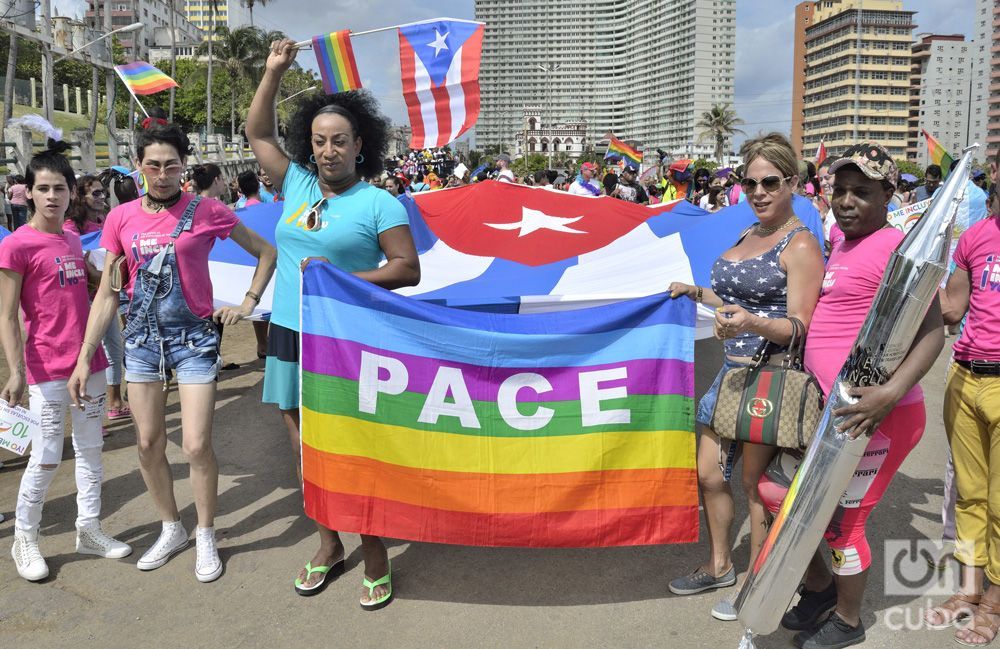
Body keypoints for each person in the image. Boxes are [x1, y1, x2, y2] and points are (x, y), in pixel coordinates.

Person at [247, 38, 420, 609]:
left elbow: (407, 269)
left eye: (339, 141)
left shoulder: (380, 204)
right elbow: (256, 134)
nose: (327, 151)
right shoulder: (295, 183)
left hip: (347, 342)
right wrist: (273, 72)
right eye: (319, 141)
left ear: (359, 145)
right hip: (292, 336)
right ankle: (328, 545)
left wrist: (343, 279)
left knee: (351, 452)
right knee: (307, 455)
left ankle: (374, 553)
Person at [66, 120, 276, 584]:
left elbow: (265, 252)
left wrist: (248, 303)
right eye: (153, 165)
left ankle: (205, 532)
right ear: (139, 167)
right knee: (146, 443)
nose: (161, 174)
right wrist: (85, 356)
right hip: (141, 342)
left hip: (195, 341)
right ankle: (171, 527)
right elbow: (107, 295)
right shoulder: (120, 219)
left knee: (196, 443)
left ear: (183, 168)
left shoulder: (207, 210)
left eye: (171, 166)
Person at [758, 143, 943, 649]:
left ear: (889, 193)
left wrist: (889, 393)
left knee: (843, 522)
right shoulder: (840, 241)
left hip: (880, 415)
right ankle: (819, 590)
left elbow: (932, 331)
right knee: (777, 495)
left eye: (861, 192)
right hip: (832, 412)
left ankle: (847, 619)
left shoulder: (899, 250)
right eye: (839, 190)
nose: (845, 201)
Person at [666, 132, 825, 621]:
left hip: (771, 378)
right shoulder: (748, 234)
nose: (758, 192)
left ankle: (755, 583)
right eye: (749, 182)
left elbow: (799, 326)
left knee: (756, 484)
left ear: (792, 183)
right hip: (732, 375)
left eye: (770, 182)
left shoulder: (800, 244)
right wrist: (694, 292)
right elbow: (735, 298)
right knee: (709, 473)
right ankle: (719, 565)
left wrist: (753, 323)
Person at [0, 140, 133, 582]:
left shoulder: (75, 239)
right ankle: (25, 538)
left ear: (70, 191)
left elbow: (93, 288)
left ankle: (89, 530)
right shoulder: (17, 245)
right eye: (44, 188)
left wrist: (112, 273)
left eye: (60, 187)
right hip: (45, 370)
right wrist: (16, 372)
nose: (52, 196)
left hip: (88, 365)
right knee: (46, 456)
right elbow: (7, 316)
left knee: (92, 450)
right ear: (30, 192)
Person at [926, 146, 1000, 646]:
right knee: (969, 494)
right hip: (964, 376)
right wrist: (913, 273)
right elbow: (951, 308)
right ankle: (970, 590)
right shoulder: (975, 236)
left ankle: (994, 601)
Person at [65, 176, 130, 424]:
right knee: (87, 354)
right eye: (95, 194)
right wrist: (107, 278)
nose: (102, 197)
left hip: (107, 296)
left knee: (114, 348)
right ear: (80, 197)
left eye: (103, 193)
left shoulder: (104, 222)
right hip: (86, 300)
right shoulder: (71, 228)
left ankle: (113, 403)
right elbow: (83, 267)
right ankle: (88, 415)